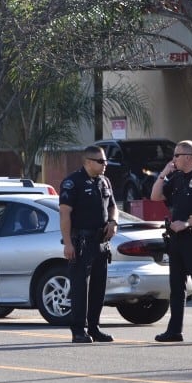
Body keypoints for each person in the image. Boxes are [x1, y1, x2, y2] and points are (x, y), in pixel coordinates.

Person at [150, 140, 192, 344]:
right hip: (176, 240)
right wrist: (164, 173)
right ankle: (174, 331)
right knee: (176, 288)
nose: (173, 159)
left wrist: (187, 223)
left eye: (176, 156)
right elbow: (155, 196)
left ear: (188, 156)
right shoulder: (177, 177)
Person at [59, 145, 119, 343]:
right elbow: (65, 214)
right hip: (81, 241)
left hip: (100, 241)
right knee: (80, 288)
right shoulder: (72, 182)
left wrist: (113, 222)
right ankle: (78, 329)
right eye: (100, 161)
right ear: (87, 162)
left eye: (106, 161)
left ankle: (94, 327)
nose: (105, 164)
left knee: (98, 288)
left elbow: (113, 207)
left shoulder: (105, 181)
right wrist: (68, 244)